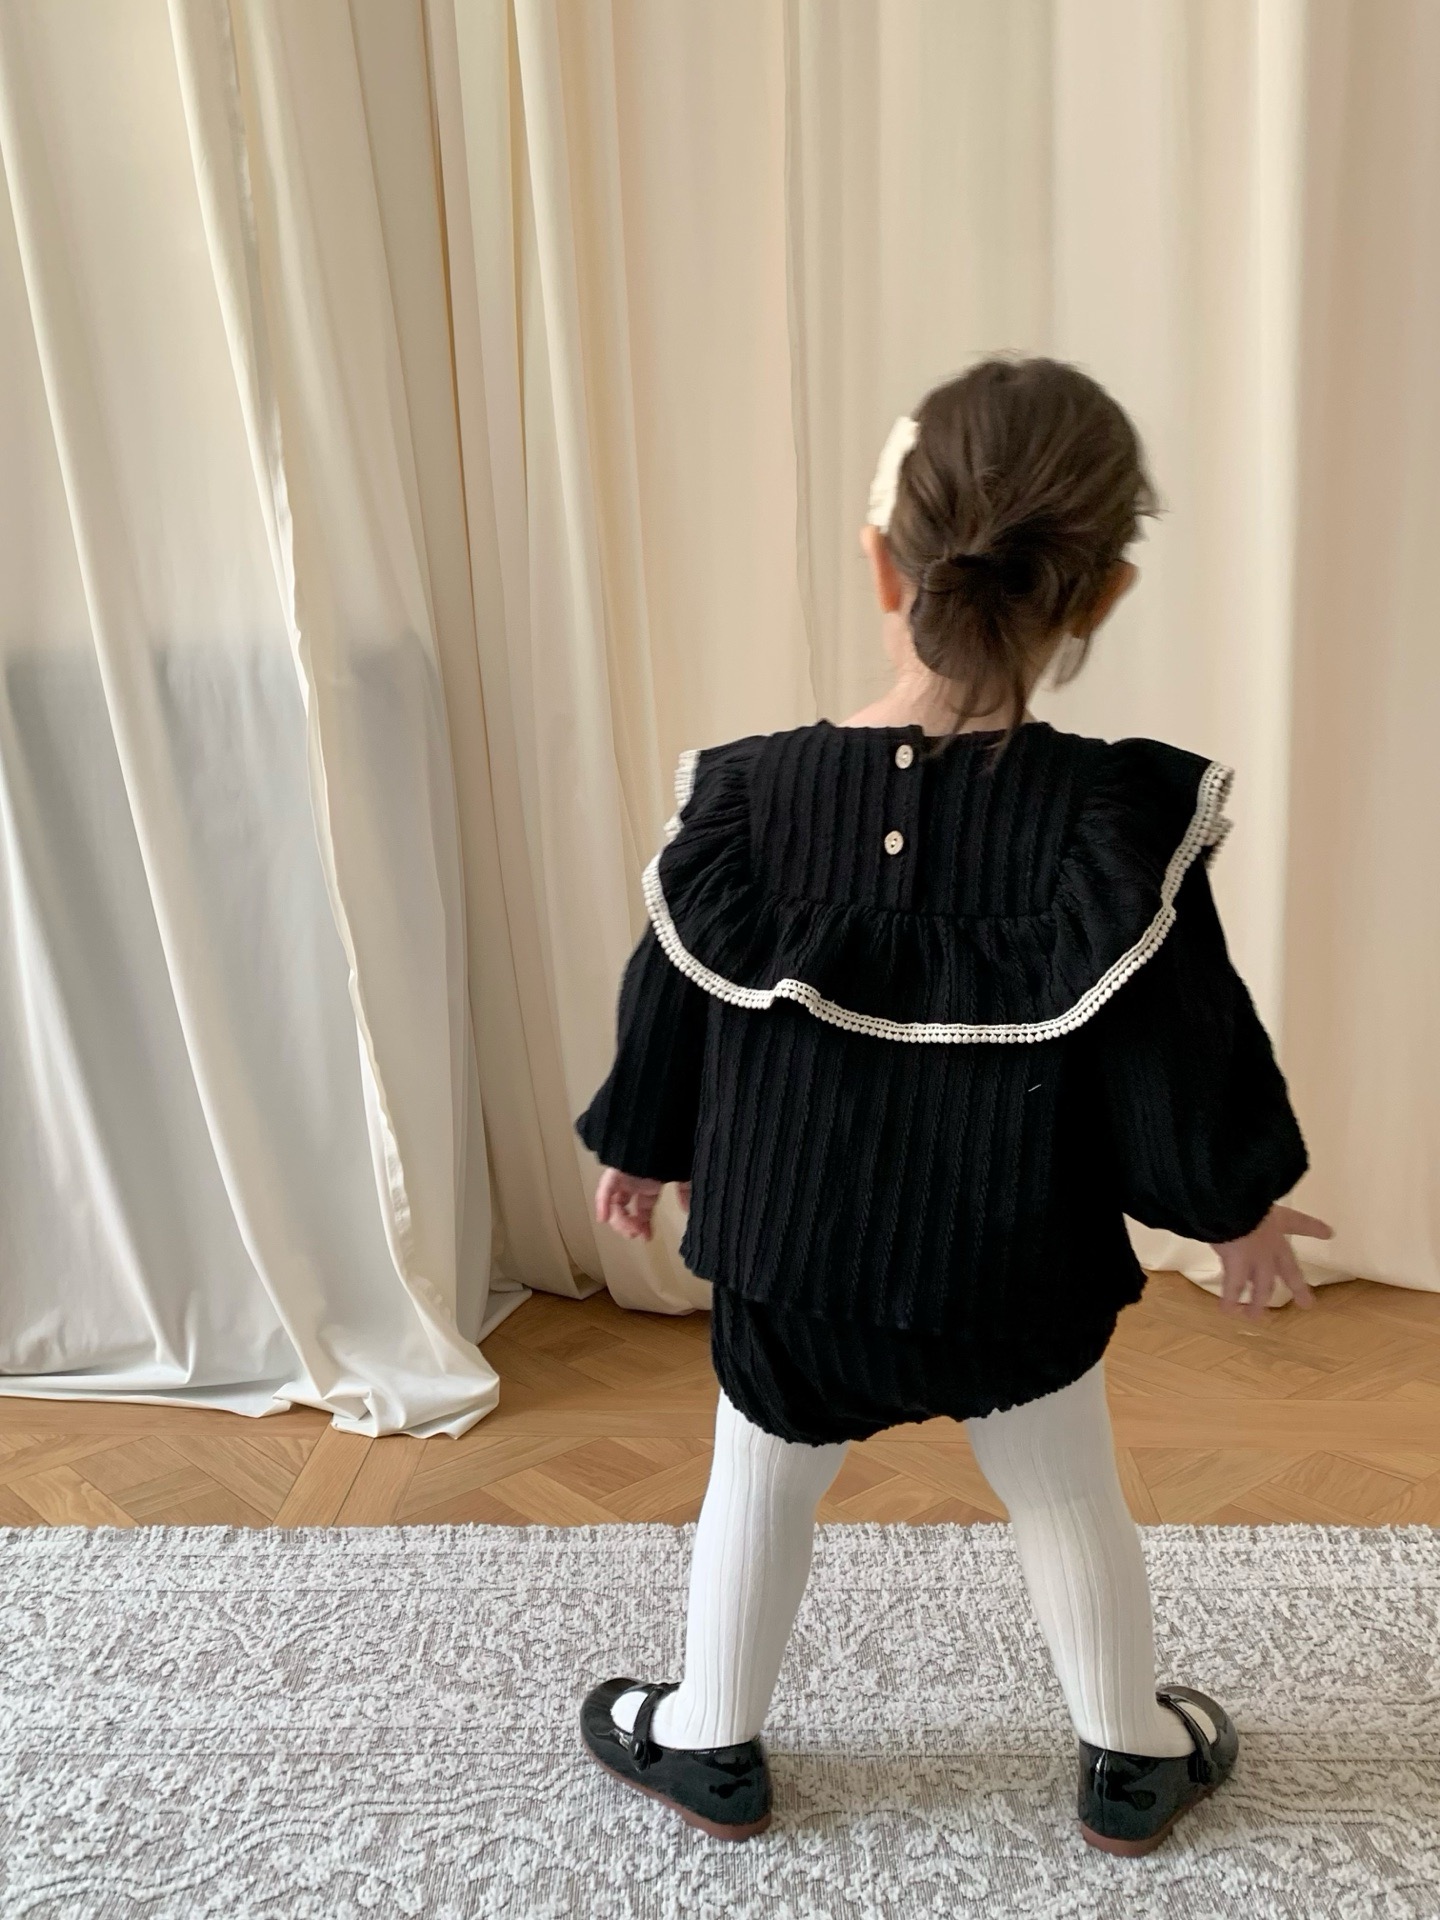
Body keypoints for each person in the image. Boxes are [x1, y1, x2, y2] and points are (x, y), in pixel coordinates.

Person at [572, 357, 1332, 1855]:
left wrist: (643, 1150)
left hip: (790, 1269)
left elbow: (670, 988)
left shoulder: (748, 797)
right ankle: (1131, 1761)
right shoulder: (1111, 822)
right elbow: (1180, 1041)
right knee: (1066, 1496)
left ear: (884, 564)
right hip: (1014, 1269)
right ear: (1102, 593)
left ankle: (708, 1740)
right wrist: (1233, 1206)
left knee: (758, 1486)